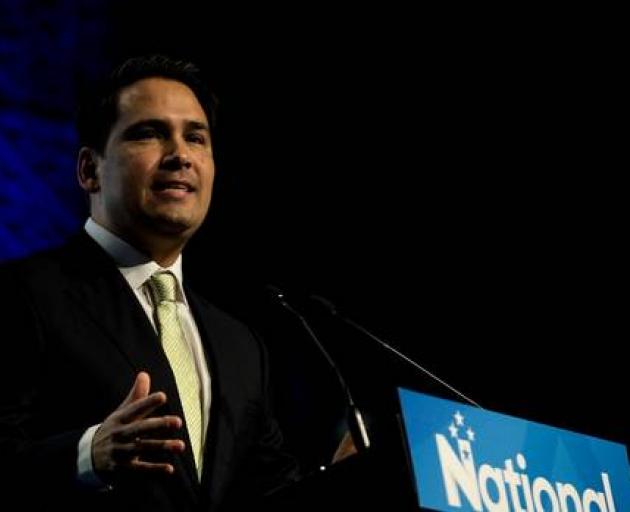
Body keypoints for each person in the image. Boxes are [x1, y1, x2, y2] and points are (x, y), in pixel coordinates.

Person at [0, 54, 300, 511]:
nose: (180, 154)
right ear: (89, 170)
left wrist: (351, 481)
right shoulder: (21, 295)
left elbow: (268, 493)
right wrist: (88, 455)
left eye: (196, 137)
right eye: (149, 133)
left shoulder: (240, 345)